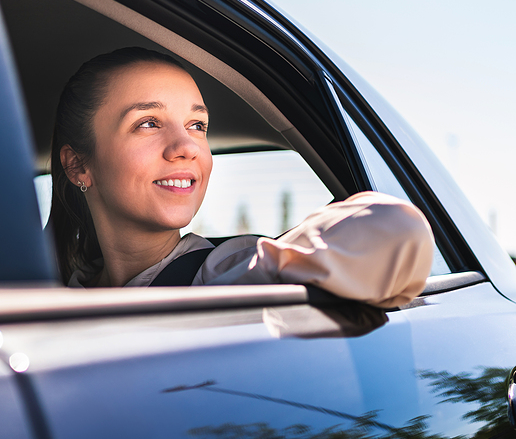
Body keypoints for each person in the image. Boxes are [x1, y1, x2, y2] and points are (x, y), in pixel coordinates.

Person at [50, 47, 433, 308]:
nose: (187, 147)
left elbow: (398, 228)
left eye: (197, 125)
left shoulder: (224, 273)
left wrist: (284, 259)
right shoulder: (57, 290)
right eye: (149, 123)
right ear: (78, 166)